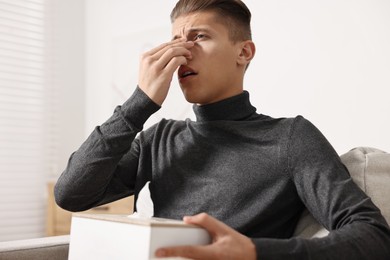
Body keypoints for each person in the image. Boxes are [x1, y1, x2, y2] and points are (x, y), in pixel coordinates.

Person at [54, 0, 390, 259]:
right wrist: (139, 103)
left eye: (199, 37)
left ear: (244, 52)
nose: (182, 53)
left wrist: (256, 252)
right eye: (174, 41)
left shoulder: (291, 138)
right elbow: (71, 194)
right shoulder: (159, 138)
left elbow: (374, 236)